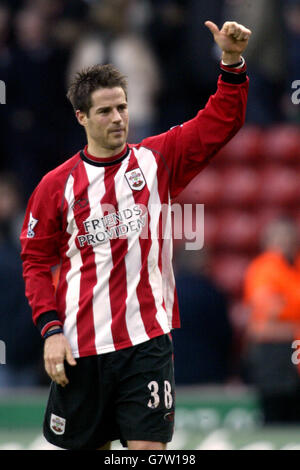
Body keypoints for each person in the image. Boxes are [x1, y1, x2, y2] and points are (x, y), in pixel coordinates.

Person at [20, 20, 251, 450]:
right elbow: (34, 263)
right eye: (105, 111)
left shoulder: (157, 161)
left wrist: (231, 62)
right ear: (82, 117)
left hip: (147, 344)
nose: (118, 118)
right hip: (79, 348)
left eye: (122, 107)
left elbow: (221, 121)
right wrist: (51, 330)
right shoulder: (56, 187)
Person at [243, 217, 300, 423]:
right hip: (274, 356)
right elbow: (264, 324)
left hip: (294, 350)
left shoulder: (293, 266)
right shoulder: (264, 269)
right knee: (277, 416)